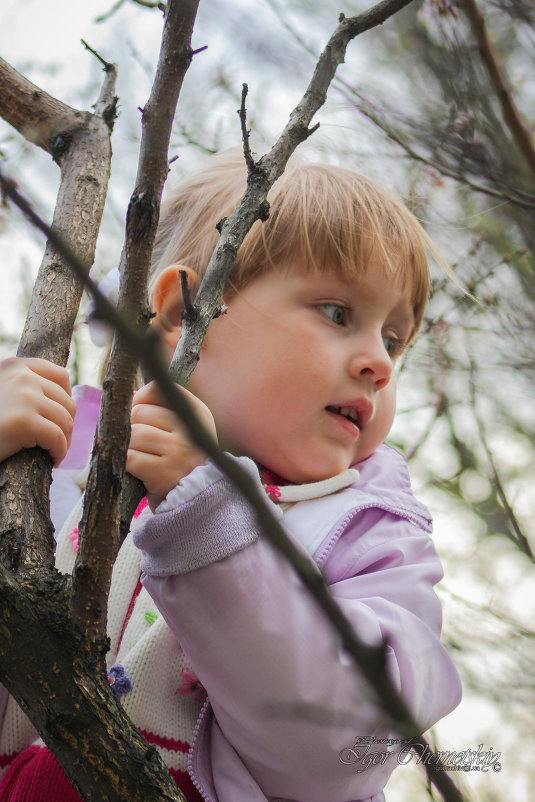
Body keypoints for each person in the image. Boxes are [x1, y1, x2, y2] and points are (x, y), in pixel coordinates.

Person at [0, 150, 462, 802]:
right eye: (336, 313)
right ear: (181, 314)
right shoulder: (59, 457)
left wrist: (207, 519)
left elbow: (341, 751)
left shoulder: (369, 534)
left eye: (393, 338)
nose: (378, 364)